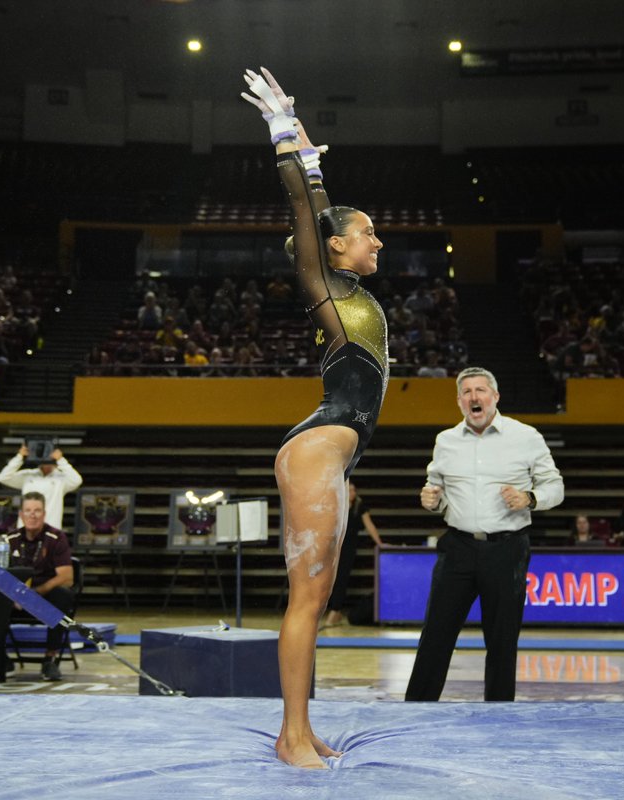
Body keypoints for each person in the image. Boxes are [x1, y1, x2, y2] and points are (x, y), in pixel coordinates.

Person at [242, 66, 387, 769]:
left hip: (332, 451)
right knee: (305, 599)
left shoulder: (346, 285)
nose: (377, 242)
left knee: (318, 596)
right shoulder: (322, 281)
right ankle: (289, 735)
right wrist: (280, 135)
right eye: (368, 234)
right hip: (317, 449)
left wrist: (307, 140)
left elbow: (321, 200)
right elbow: (307, 208)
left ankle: (300, 729)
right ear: (335, 248)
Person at [406, 366, 564, 703]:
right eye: (467, 392)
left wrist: (530, 498)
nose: (474, 397)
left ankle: (500, 715)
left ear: (495, 397)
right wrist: (431, 500)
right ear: (460, 401)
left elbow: (555, 486)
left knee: (502, 639)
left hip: (506, 549)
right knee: (435, 634)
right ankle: (415, 710)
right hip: (458, 547)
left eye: (481, 390)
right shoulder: (445, 441)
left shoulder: (526, 436)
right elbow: (437, 489)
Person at [2, 492, 75, 682]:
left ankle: (49, 660)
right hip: (15, 596)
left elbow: (67, 577)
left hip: (44, 595)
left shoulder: (56, 538)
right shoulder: (10, 539)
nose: (32, 515)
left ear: (44, 514)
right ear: (21, 514)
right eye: (28, 511)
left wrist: (37, 593)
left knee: (63, 596)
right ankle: (0, 658)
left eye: (37, 511)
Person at [323, 481, 384, 628]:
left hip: (349, 549)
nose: (352, 493)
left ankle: (335, 610)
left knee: (342, 579)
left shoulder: (359, 507)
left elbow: (370, 526)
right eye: (349, 490)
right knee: (331, 580)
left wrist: (380, 544)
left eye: (353, 490)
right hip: (334, 548)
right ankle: (335, 612)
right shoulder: (336, 505)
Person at [0, 443, 83, 530]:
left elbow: (77, 480)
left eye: (48, 454)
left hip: (51, 528)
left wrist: (61, 460)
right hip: (26, 529)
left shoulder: (61, 478)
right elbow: (3, 477)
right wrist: (19, 457)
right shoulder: (28, 474)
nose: (45, 458)